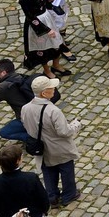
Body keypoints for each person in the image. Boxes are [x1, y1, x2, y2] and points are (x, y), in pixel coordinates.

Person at [24, 75, 80, 206]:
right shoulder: (53, 110)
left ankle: (52, 197)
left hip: (41, 147)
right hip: (58, 147)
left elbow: (26, 126)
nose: (54, 89)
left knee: (48, 171)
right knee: (66, 170)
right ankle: (69, 195)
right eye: (51, 88)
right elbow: (64, 131)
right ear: (44, 93)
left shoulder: (25, 108)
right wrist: (76, 125)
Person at [17, 0, 68, 79]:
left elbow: (42, 1)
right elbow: (31, 17)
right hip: (37, 25)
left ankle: (56, 65)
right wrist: (46, 30)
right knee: (43, 49)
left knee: (56, 43)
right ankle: (47, 71)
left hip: (47, 18)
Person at [0, 57, 39, 143]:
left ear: (4, 73)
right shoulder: (17, 77)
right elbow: (4, 93)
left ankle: (33, 139)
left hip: (27, 119)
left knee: (5, 133)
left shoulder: (4, 87)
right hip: (37, 113)